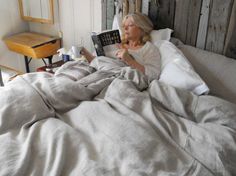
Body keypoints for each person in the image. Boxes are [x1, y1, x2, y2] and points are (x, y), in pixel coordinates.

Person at [81, 12, 161, 80]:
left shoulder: (149, 49)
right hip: (101, 71)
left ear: (142, 28)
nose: (125, 28)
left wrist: (129, 60)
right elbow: (97, 62)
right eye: (124, 26)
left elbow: (154, 74)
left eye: (130, 25)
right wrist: (84, 52)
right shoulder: (117, 44)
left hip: (120, 77)